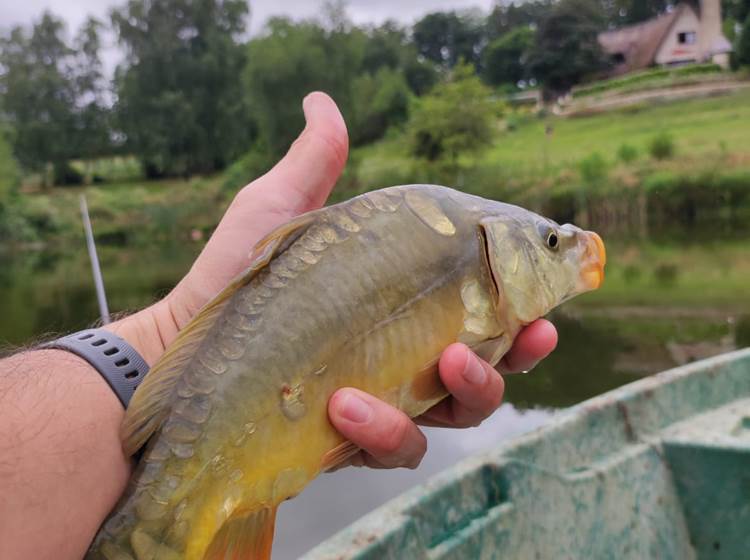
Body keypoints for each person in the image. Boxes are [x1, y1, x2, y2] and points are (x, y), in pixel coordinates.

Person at [0, 92, 557, 559]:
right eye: (552, 243)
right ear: (493, 250)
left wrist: (161, 349)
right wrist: (169, 347)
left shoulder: (460, 234)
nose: (568, 251)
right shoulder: (462, 239)